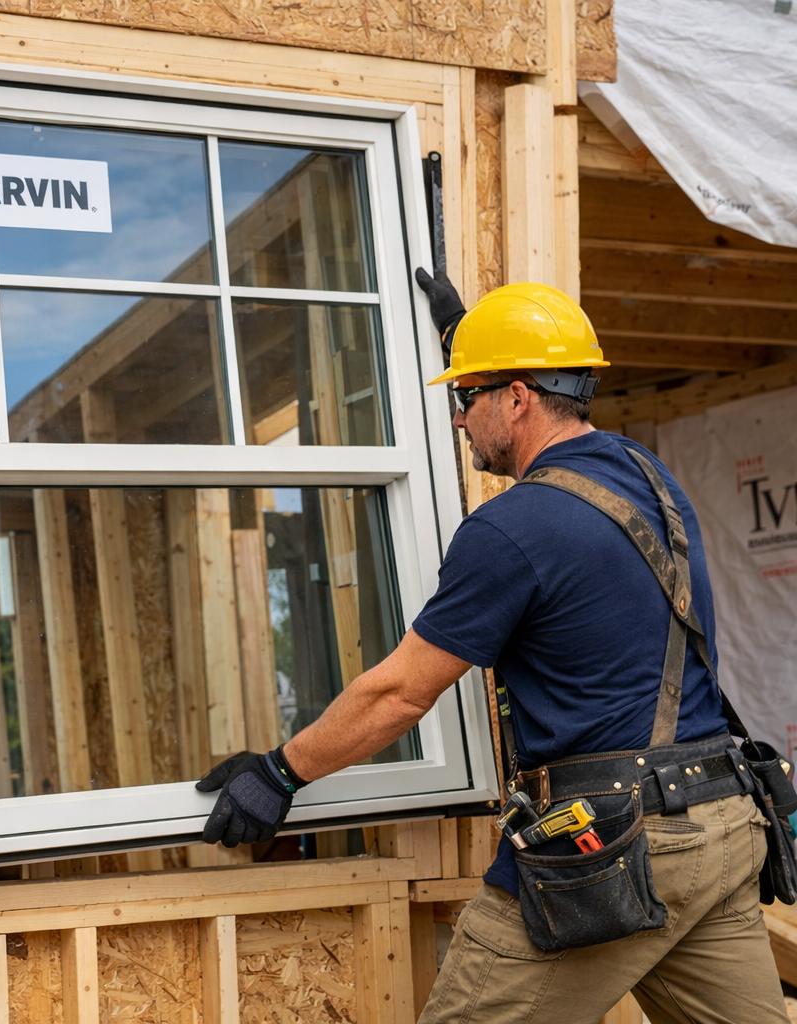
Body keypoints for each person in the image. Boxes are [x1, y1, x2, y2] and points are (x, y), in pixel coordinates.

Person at [195, 272, 788, 1024]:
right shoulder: (650, 476)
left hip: (611, 846)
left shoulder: (512, 529)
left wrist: (280, 773)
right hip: (721, 822)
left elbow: (400, 693)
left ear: (516, 398)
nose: (456, 418)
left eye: (465, 396)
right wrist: (466, 340)